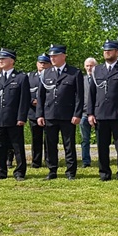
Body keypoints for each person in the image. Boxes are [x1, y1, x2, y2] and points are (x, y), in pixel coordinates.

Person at [87, 40, 118, 181]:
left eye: (110, 50)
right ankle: (104, 173)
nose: (107, 52)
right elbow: (92, 93)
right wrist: (90, 113)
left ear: (117, 52)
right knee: (102, 146)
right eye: (105, 50)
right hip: (101, 114)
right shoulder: (97, 70)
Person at [36, 44, 84, 180]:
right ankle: (52, 170)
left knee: (69, 144)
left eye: (55, 56)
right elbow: (41, 96)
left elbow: (79, 96)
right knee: (50, 144)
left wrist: (77, 114)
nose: (52, 58)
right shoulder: (46, 73)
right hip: (50, 114)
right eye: (51, 56)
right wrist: (40, 114)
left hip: (67, 115)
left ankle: (70, 171)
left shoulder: (74, 72)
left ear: (63, 56)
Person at [0, 49, 30, 181]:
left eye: (3, 59)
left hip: (14, 118)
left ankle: (19, 172)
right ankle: (0, 172)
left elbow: (24, 100)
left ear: (12, 61)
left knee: (17, 146)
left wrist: (21, 117)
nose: (0, 61)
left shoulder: (20, 77)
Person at [27, 54, 51, 168]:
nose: (42, 65)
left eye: (45, 63)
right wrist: (32, 101)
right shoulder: (30, 77)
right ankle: (36, 161)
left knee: (49, 138)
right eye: (41, 63)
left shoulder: (52, 76)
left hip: (48, 112)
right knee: (36, 138)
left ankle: (49, 160)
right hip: (34, 112)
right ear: (37, 64)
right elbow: (24, 93)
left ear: (50, 64)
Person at [80, 57, 97, 167]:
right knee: (85, 139)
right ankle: (86, 161)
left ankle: (103, 160)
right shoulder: (82, 80)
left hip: (98, 113)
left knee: (101, 139)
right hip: (84, 113)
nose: (89, 68)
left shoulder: (100, 79)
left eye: (91, 65)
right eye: (87, 66)